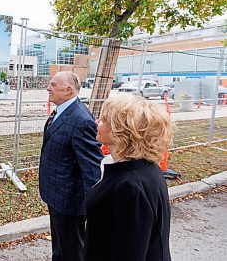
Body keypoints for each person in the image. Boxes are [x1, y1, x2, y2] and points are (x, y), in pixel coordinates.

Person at [84, 93, 172, 261]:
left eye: (103, 120)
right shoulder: (146, 168)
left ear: (121, 130)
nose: (96, 122)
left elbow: (128, 253)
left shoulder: (129, 186)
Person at [39, 71, 103, 261]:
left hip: (69, 202)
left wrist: (94, 208)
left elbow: (92, 168)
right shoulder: (62, 109)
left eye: (53, 84)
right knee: (60, 248)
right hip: (55, 195)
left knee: (72, 251)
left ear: (68, 90)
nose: (48, 88)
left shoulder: (81, 119)